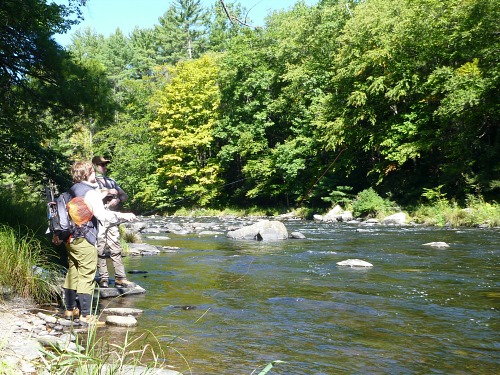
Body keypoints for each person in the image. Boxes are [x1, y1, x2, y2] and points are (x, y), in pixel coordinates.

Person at [61, 160, 136, 325]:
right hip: (84, 238)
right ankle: (86, 315)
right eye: (92, 171)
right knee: (87, 274)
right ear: (88, 173)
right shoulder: (90, 192)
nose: (95, 172)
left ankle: (70, 309)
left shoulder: (72, 189)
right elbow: (103, 215)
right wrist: (124, 215)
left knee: (73, 272)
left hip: (70, 238)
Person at [92, 156, 136, 288]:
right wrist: (105, 192)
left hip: (112, 219)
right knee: (100, 248)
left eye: (105, 165)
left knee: (116, 247)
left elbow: (124, 195)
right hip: (99, 219)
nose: (104, 167)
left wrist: (117, 199)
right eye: (101, 165)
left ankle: (120, 277)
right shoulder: (92, 182)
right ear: (94, 165)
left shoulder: (111, 181)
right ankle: (103, 278)